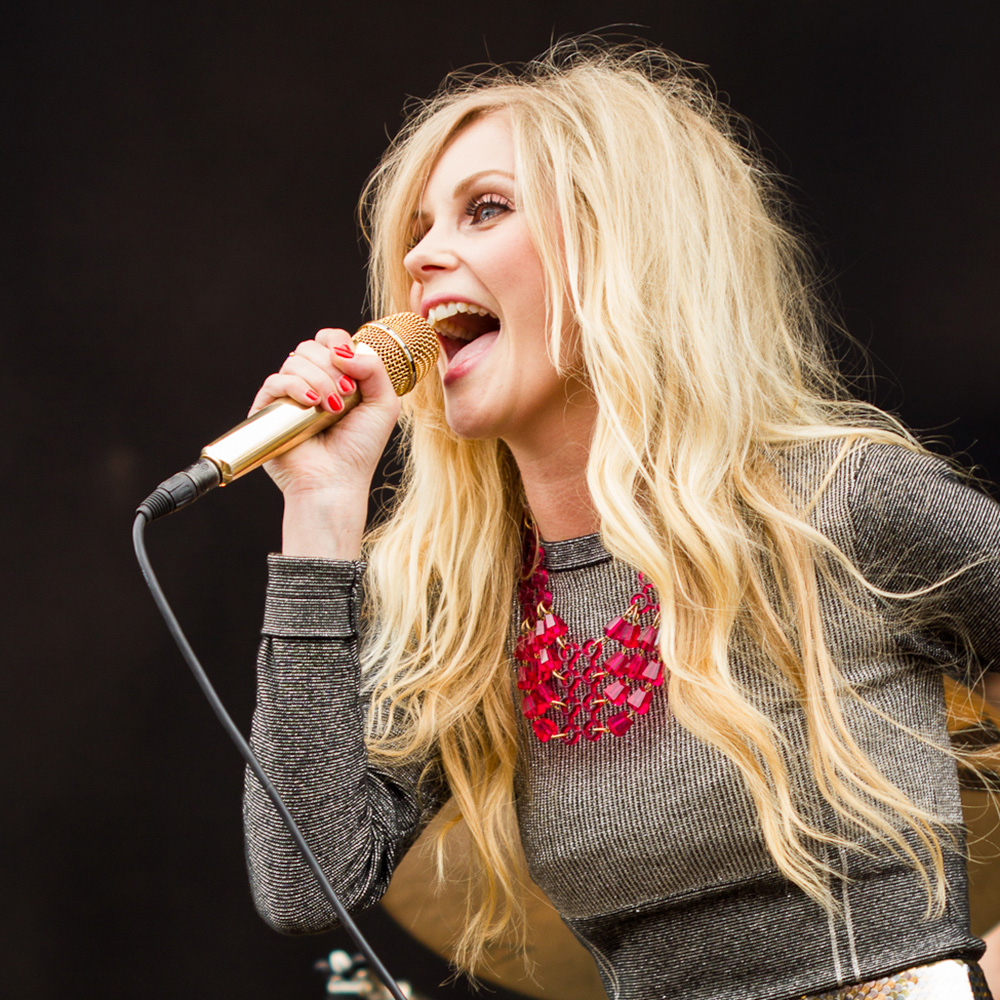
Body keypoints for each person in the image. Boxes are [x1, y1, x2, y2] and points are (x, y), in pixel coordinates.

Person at [242, 40, 1000, 1000]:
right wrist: (319, 512)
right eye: (418, 230)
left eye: (486, 208)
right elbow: (304, 885)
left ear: (621, 247)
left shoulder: (836, 504)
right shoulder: (474, 606)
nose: (420, 256)